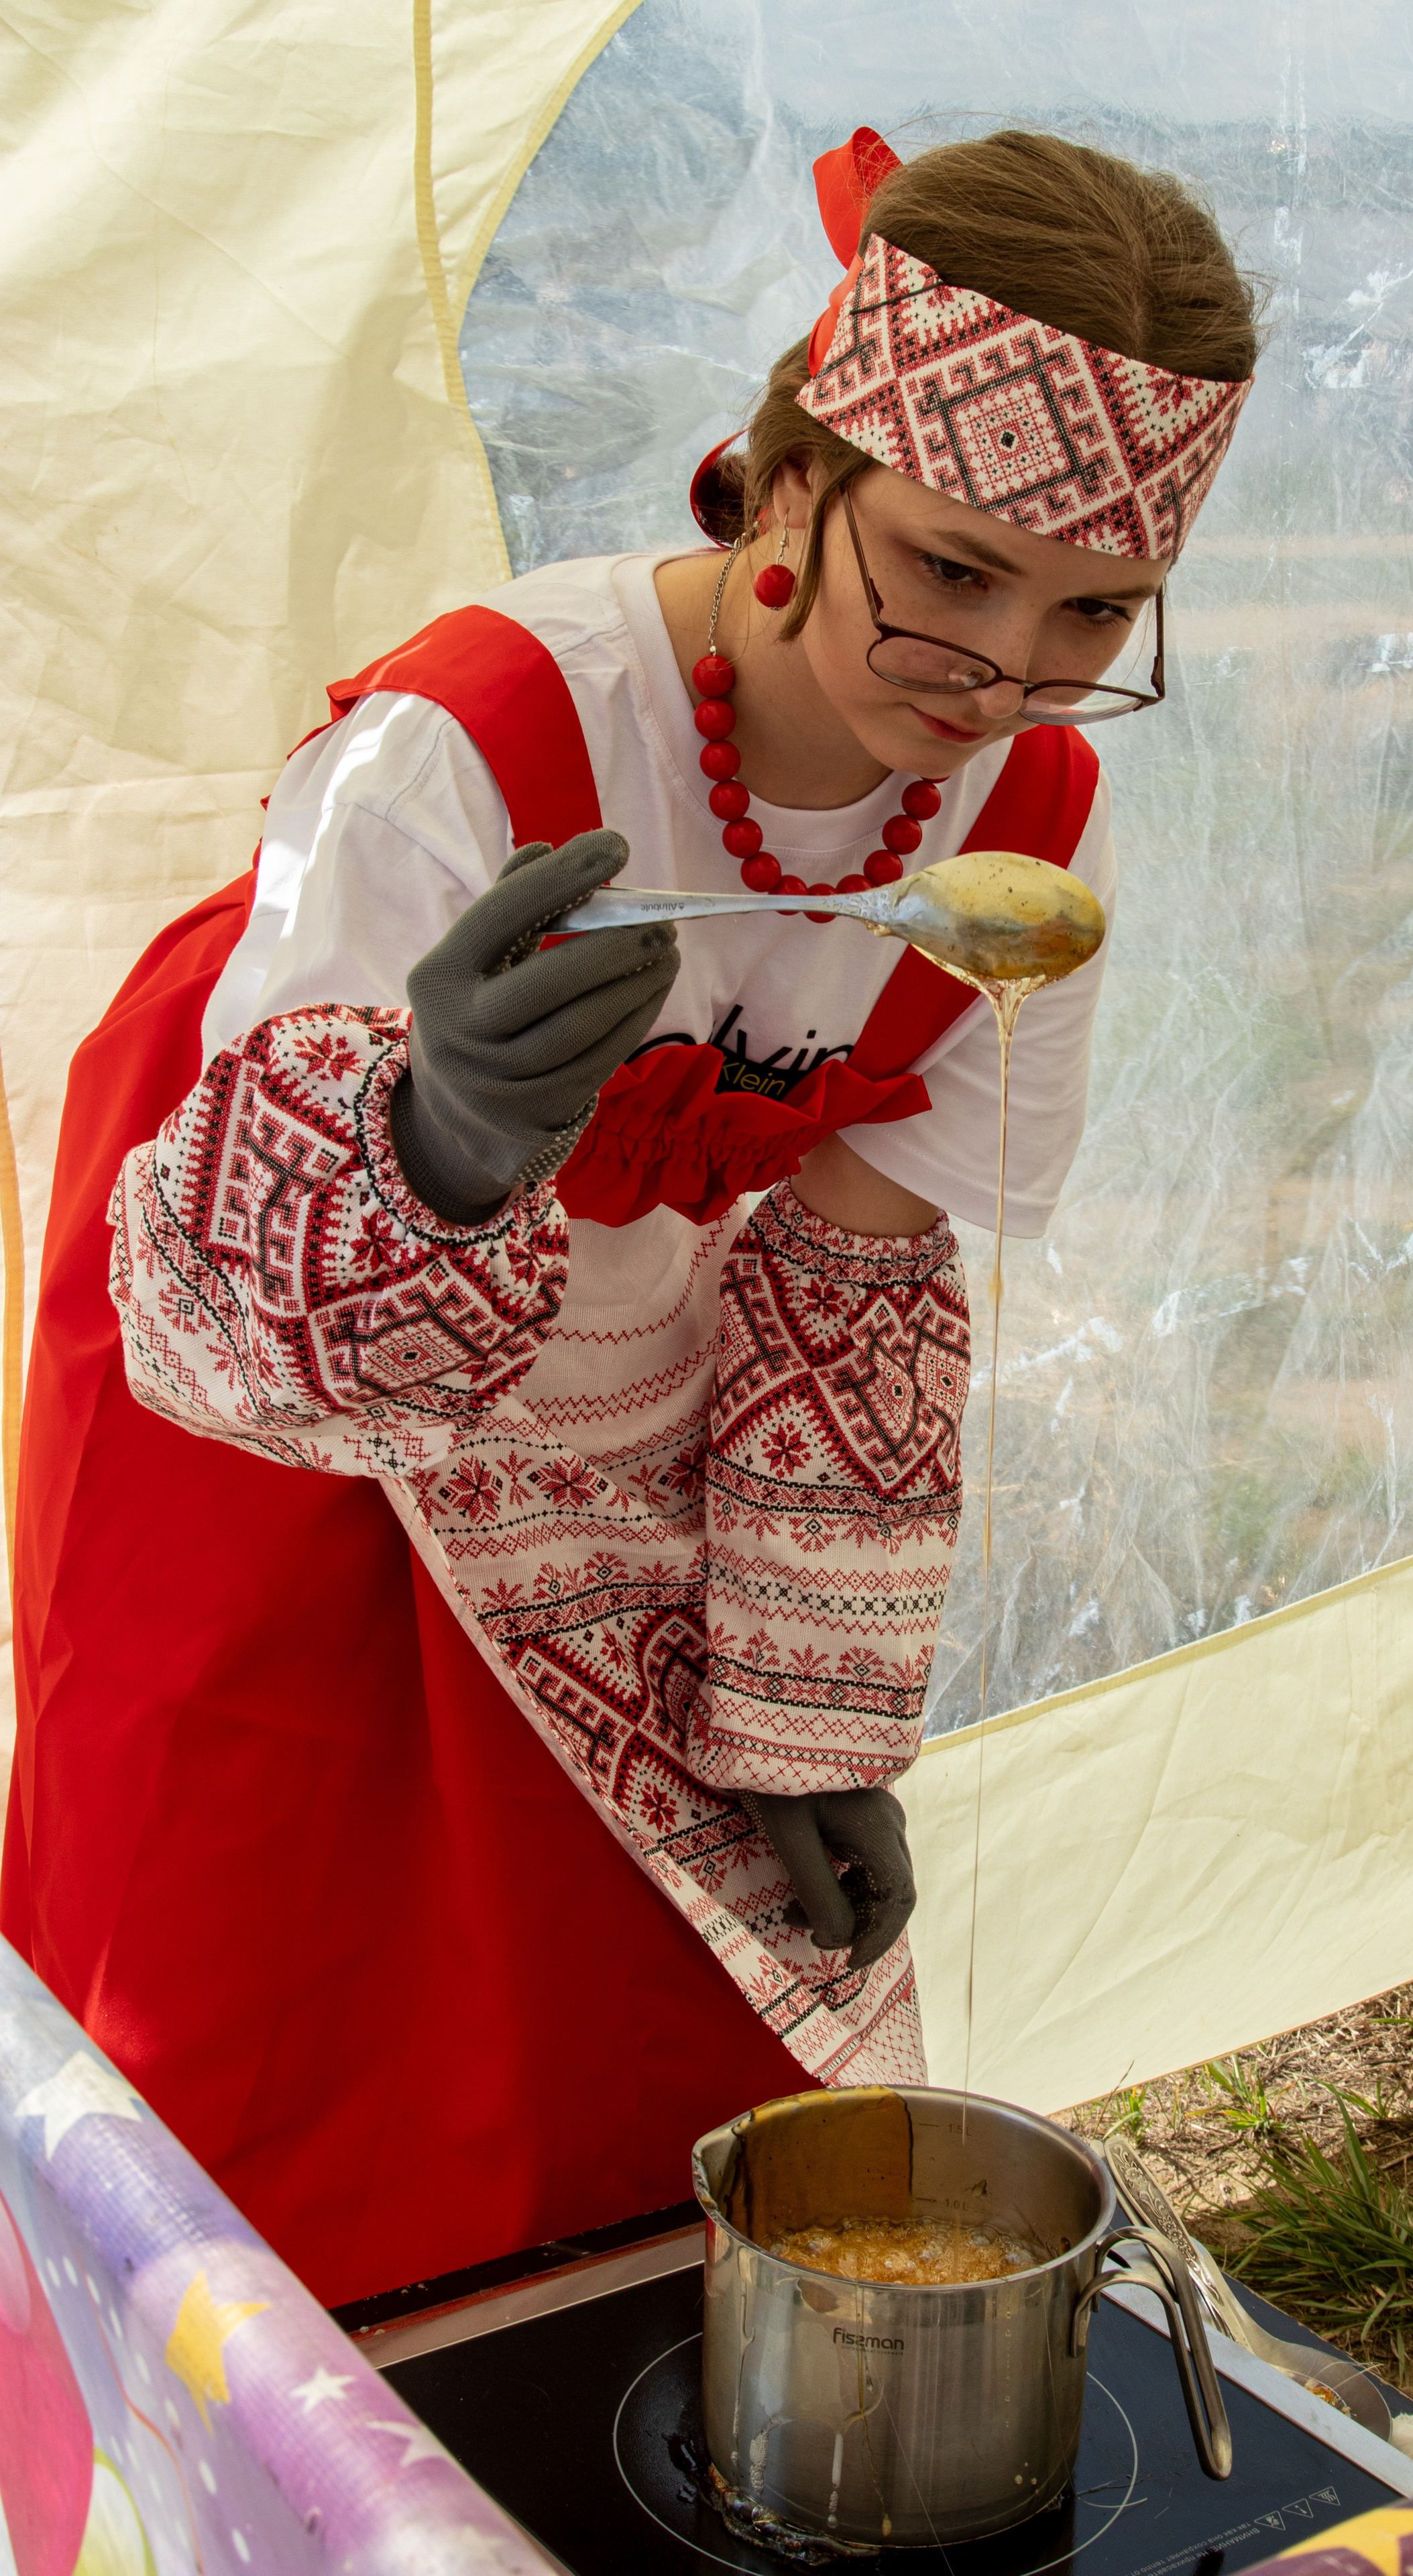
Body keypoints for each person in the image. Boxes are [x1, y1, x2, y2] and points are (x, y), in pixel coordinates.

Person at [4, 127, 1259, 2307]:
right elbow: (222, 1316)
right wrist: (437, 1145)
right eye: (950, 572)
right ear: (790, 482)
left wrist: (808, 1719)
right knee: (267, 1999)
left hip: (644, 1352)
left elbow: (854, 1278)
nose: (1000, 677)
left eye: (1089, 615)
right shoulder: (472, 741)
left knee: (658, 2018)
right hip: (290, 1381)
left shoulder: (1037, 827)